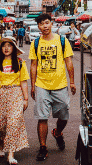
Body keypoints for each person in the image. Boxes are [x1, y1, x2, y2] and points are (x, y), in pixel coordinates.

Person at [30, 14, 76, 161]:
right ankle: (43, 147)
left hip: (60, 85)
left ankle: (57, 132)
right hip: (41, 85)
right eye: (42, 24)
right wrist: (32, 86)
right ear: (38, 26)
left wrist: (72, 82)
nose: (45, 26)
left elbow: (68, 62)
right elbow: (33, 65)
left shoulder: (62, 41)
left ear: (51, 24)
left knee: (63, 115)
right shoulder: (35, 43)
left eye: (47, 23)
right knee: (42, 117)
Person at [0, 37, 29, 165]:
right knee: (0, 124)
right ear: (1, 48)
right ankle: (1, 146)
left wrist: (26, 99)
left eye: (9, 45)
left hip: (15, 94)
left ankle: (11, 154)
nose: (6, 48)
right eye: (4, 46)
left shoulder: (20, 63)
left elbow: (23, 82)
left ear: (14, 48)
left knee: (13, 123)